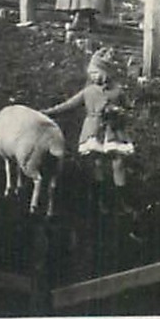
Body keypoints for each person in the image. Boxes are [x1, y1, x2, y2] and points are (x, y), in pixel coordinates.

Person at [43, 47, 136, 214]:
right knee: (97, 163)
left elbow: (129, 108)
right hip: (93, 131)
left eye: (96, 73)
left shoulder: (117, 91)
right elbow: (68, 105)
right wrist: (48, 112)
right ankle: (100, 200)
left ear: (106, 72)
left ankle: (122, 199)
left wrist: (120, 112)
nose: (93, 77)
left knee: (118, 162)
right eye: (91, 73)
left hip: (113, 130)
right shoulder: (88, 91)